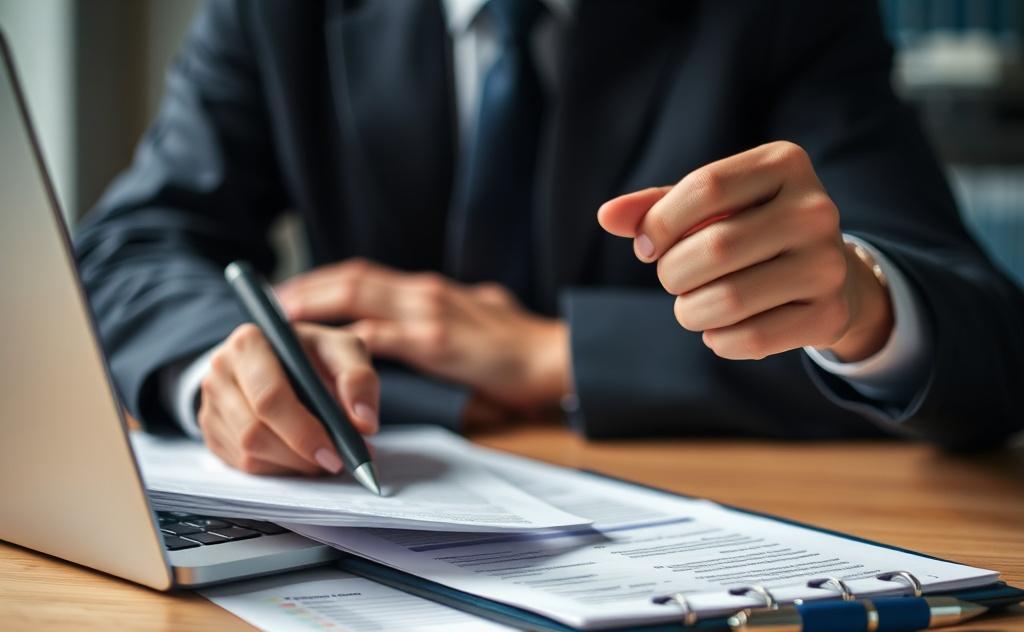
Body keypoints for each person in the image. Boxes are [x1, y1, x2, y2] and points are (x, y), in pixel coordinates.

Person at [76, 0, 1024, 477]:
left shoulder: (781, 14)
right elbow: (133, 245)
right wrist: (222, 371)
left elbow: (984, 340)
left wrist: (554, 353)